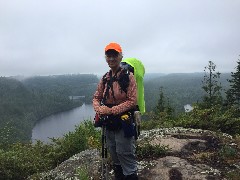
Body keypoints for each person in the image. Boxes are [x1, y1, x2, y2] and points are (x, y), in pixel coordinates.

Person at [93, 42, 138, 180]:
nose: (111, 59)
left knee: (124, 152)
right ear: (106, 58)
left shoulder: (128, 76)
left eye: (115, 55)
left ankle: (130, 176)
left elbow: (132, 101)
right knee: (113, 152)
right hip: (109, 123)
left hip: (123, 121)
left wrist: (111, 110)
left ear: (121, 56)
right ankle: (119, 176)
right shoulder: (105, 78)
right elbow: (96, 97)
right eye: (108, 56)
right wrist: (99, 108)